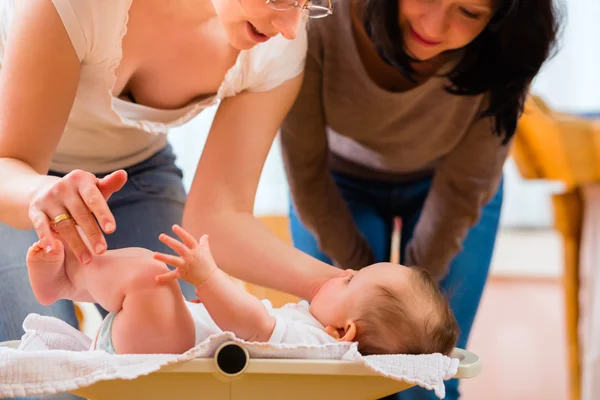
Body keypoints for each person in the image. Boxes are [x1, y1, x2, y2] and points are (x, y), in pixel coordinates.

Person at [0, 0, 346, 399]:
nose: (289, 27)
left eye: (308, 4)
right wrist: (39, 193)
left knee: (184, 368)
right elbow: (12, 162)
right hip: (15, 180)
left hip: (134, 171)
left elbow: (220, 217)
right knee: (37, 381)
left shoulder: (278, 45)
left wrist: (341, 287)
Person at [279, 0, 560, 399]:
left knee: (429, 372)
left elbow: (463, 188)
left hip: (452, 187)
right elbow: (305, 169)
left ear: (496, 19)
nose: (435, 25)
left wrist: (408, 303)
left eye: (470, 12)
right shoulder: (323, 16)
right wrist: (366, 287)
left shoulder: (507, 49)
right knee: (336, 363)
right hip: (334, 181)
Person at [25, 224, 459, 358]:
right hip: (164, 342)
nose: (342, 270)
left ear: (344, 331)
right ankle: (70, 282)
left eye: (351, 279)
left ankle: (66, 281)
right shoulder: (312, 328)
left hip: (163, 353)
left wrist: (208, 276)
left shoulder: (313, 347)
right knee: (147, 270)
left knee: (145, 274)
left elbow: (251, 321)